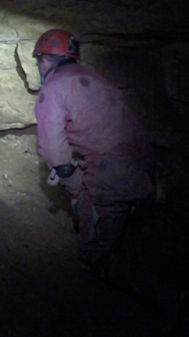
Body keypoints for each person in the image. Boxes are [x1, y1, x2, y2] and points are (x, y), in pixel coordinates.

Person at [32, 29, 154, 269]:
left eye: (38, 62)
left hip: (111, 164)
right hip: (142, 156)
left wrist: (76, 189)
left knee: (95, 219)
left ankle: (101, 265)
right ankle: (115, 251)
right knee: (118, 212)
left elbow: (55, 153)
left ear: (44, 60)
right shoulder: (96, 79)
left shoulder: (53, 88)